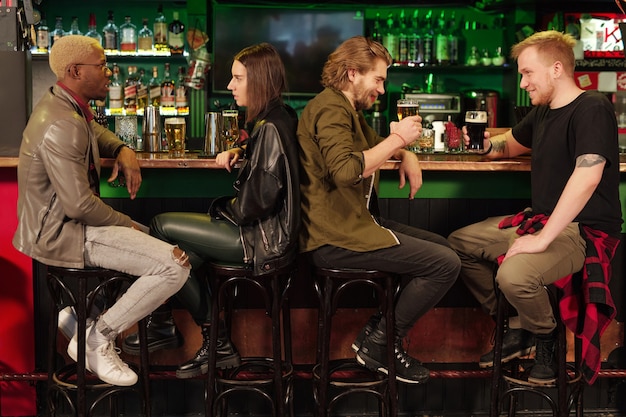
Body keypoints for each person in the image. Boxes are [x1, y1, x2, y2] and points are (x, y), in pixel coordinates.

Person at [12, 35, 189, 387]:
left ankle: (83, 318)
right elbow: (78, 205)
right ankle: (98, 336)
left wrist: (123, 147)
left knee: (155, 242)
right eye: (103, 65)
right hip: (63, 233)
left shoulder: (65, 106)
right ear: (76, 71)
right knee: (173, 265)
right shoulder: (63, 123)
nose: (110, 73)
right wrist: (128, 225)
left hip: (66, 226)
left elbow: (93, 131)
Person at [448, 30, 622, 385]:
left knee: (514, 275)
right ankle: (521, 325)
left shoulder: (593, 107)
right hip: (542, 221)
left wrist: (542, 240)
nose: (523, 82)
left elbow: (587, 177)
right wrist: (482, 145)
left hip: (581, 229)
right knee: (459, 244)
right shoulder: (543, 113)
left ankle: (547, 338)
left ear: (556, 68)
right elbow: (509, 145)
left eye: (528, 73)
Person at [297, 36, 461, 384]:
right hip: (335, 238)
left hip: (350, 225)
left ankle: (378, 333)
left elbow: (374, 149)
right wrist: (399, 140)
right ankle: (382, 342)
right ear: (353, 73)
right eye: (379, 79)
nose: (382, 90)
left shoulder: (346, 109)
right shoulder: (330, 109)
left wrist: (407, 153)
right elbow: (345, 170)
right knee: (445, 264)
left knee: (445, 250)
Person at [142, 43, 300, 379]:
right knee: (178, 256)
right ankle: (172, 324)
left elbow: (252, 205)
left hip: (261, 239)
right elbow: (268, 157)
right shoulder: (280, 116)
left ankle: (187, 329)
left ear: (258, 80)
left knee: (161, 227)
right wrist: (241, 149)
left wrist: (219, 209)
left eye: (237, 78)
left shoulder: (269, 127)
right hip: (268, 234)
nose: (230, 85)